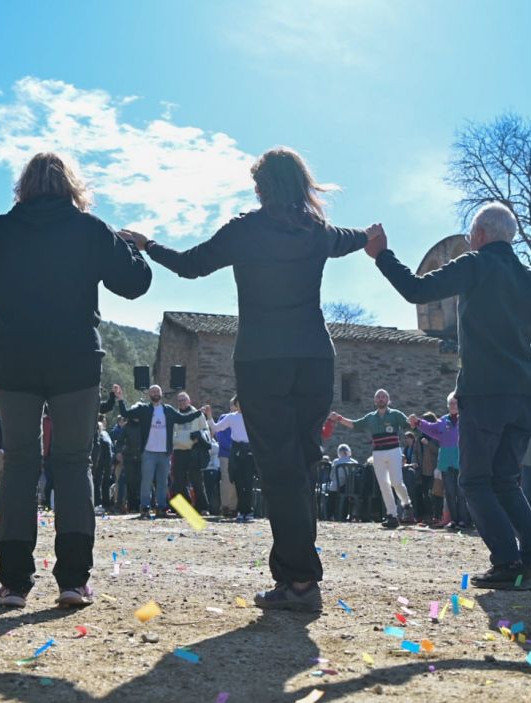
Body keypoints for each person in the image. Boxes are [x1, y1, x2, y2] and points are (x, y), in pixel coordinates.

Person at [126, 146, 375, 611]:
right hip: (315, 359)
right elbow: (355, 238)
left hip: (264, 361)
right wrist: (371, 235)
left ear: (263, 187)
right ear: (302, 185)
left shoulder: (246, 229)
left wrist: (147, 245)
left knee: (281, 471)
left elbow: (190, 265)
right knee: (301, 466)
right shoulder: (319, 231)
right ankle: (295, 577)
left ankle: (300, 582)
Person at [0, 152, 151, 609]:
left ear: (24, 185)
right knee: (73, 462)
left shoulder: (1, 227)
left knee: (20, 464)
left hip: (15, 356)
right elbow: (135, 283)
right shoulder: (90, 228)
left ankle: (15, 584)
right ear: (72, 185)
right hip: (75, 356)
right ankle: (73, 581)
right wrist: (130, 246)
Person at [369, 201, 531, 590]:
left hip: (485, 392)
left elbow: (416, 289)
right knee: (505, 481)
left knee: (475, 482)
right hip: (525, 396)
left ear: (479, 235)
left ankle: (508, 562)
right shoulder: (530, 279)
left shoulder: (474, 264)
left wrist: (382, 256)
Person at [332, 389, 416, 528]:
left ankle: (407, 504)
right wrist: (339, 419)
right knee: (384, 484)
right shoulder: (370, 417)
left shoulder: (395, 414)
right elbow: (355, 424)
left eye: (383, 397)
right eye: (378, 397)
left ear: (388, 400)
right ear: (375, 400)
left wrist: (414, 422)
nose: (381, 399)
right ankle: (392, 516)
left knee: (396, 482)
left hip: (394, 451)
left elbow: (408, 426)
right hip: (378, 453)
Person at [117, 385, 204, 518]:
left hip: (164, 453)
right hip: (148, 452)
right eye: (153, 392)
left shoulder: (168, 410)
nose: (155, 394)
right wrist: (120, 399)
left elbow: (183, 419)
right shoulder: (144, 409)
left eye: (157, 391)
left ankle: (162, 507)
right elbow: (125, 413)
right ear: (149, 395)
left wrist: (199, 412)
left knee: (163, 482)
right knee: (146, 481)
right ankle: (145, 507)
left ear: (161, 393)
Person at [410, 394, 464, 530]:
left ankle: (463, 520)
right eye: (450, 403)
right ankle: (454, 520)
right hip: (445, 461)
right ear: (447, 405)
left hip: (461, 460)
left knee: (461, 492)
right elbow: (431, 427)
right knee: (450, 493)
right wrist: (418, 423)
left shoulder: (465, 419)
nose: (452, 406)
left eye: (455, 403)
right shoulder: (443, 421)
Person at [206, 397, 254, 522]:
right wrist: (209, 416)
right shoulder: (232, 417)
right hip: (236, 450)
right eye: (238, 403)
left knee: (248, 482)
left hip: (249, 451)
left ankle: (247, 510)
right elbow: (216, 428)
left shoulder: (253, 416)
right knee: (237, 481)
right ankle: (239, 510)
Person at [169, 391, 212, 514]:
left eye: (184, 400)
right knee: (179, 482)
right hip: (178, 451)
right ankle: (184, 509)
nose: (181, 402)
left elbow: (206, 430)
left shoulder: (197, 415)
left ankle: (203, 507)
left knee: (197, 481)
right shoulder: (175, 415)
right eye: (179, 400)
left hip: (193, 451)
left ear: (189, 401)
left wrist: (200, 437)